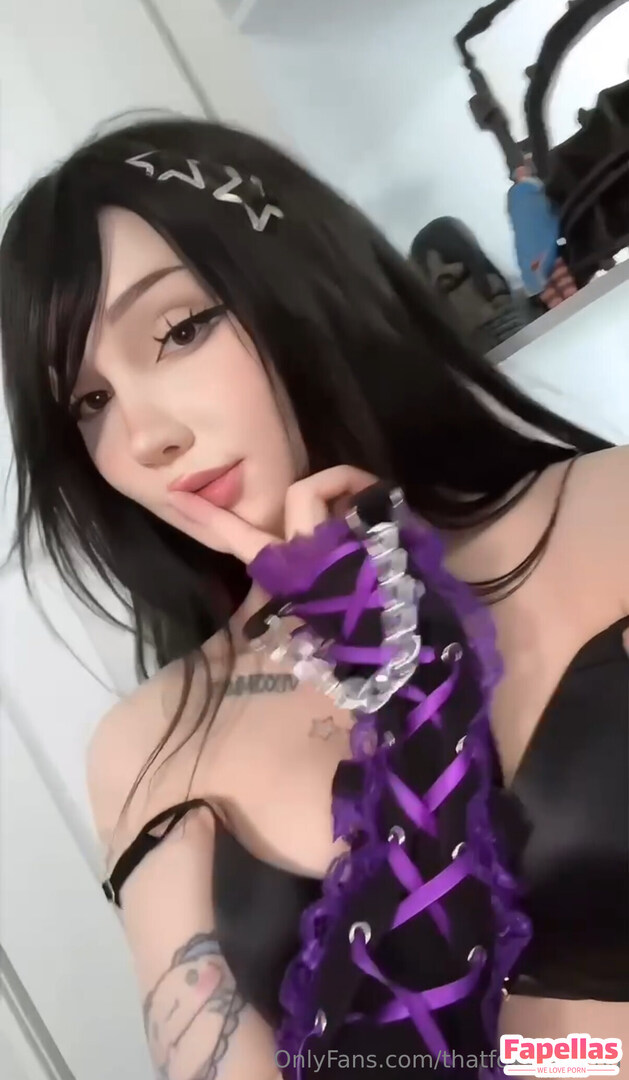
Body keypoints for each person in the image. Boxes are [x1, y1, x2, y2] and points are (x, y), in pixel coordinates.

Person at [1, 116, 627, 1080]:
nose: (144, 438)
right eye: (88, 402)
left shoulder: (610, 512)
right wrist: (411, 705)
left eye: (179, 330)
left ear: (294, 280)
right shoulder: (149, 748)